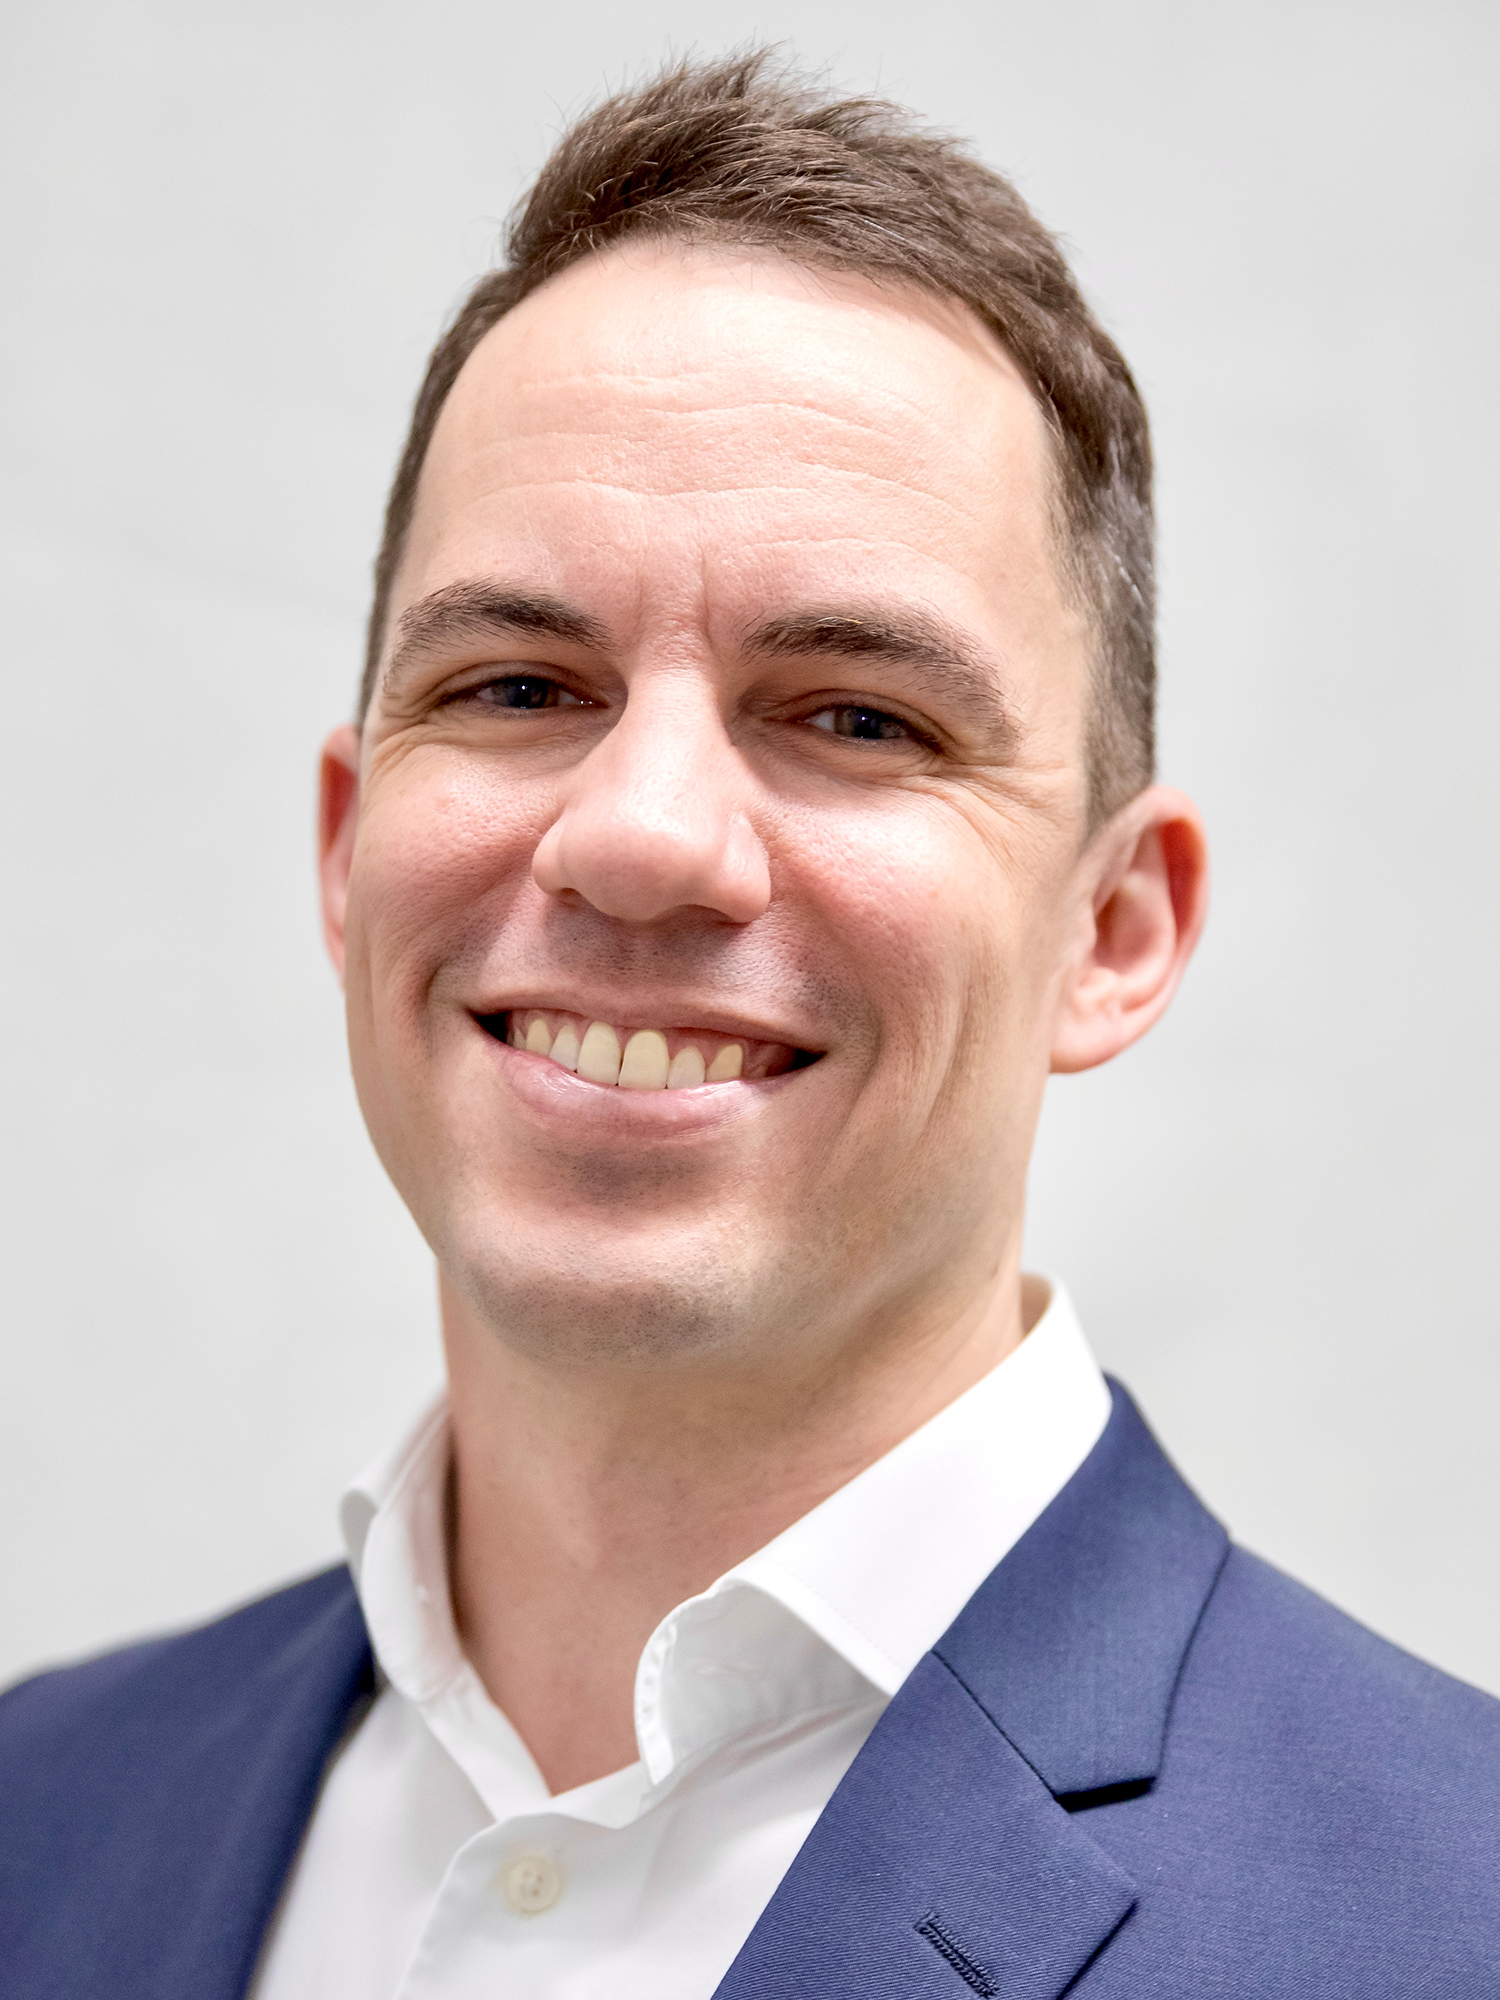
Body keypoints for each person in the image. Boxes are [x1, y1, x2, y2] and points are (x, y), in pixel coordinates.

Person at [3, 48, 1498, 2000]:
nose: (639, 840)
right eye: (522, 683)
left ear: (1114, 930)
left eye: (858, 715)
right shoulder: (43, 1817)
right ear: (351, 844)